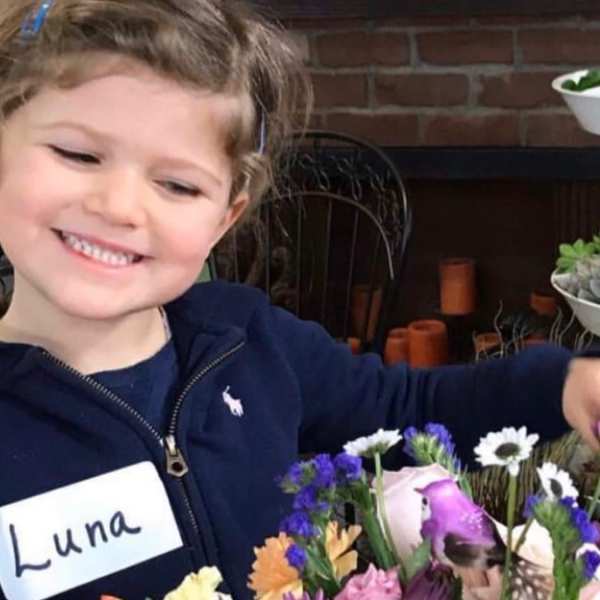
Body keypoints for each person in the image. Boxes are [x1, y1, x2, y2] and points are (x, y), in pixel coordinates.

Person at [0, 1, 598, 599]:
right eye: (77, 154)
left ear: (224, 218)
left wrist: (563, 385)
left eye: (178, 185)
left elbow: (410, 405)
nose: (118, 207)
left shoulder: (249, 339)